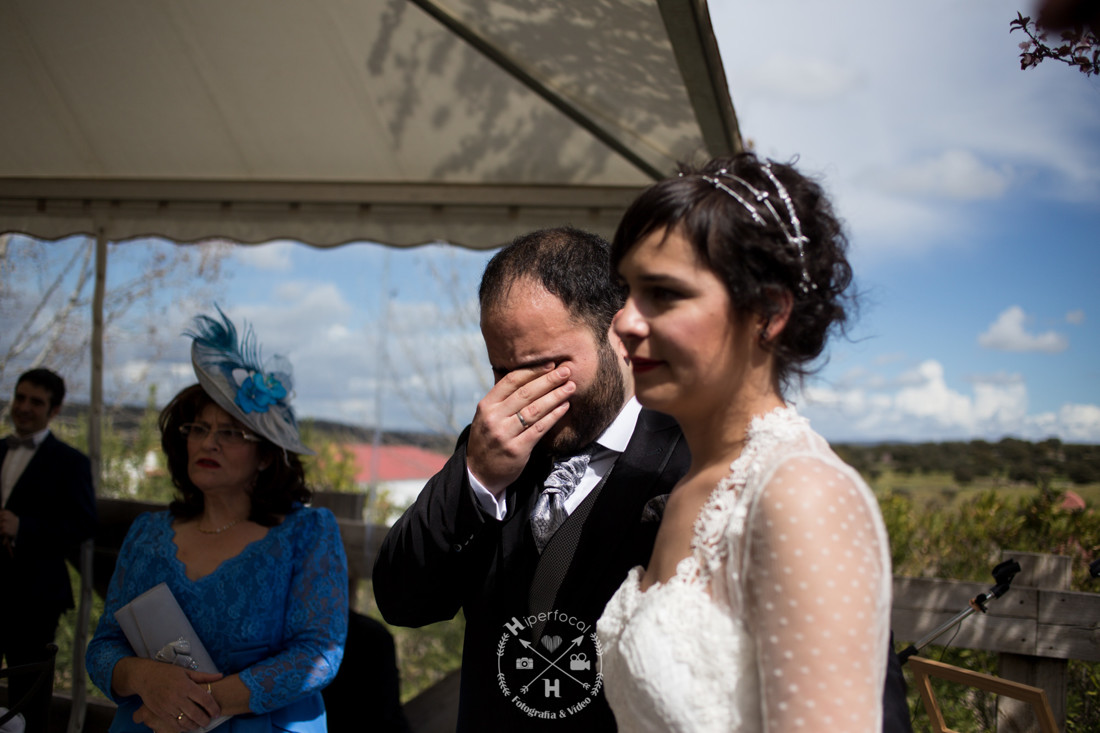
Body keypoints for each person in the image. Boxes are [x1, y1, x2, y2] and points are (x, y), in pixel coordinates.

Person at [594, 152, 895, 732]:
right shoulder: (694, 486)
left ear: (769, 311)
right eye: (627, 291)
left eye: (664, 293)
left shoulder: (802, 496)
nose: (625, 322)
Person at [372, 226, 691, 732]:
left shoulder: (689, 459)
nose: (526, 392)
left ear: (620, 332)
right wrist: (477, 477)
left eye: (548, 366)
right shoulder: (490, 443)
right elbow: (403, 598)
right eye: (504, 371)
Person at [86, 309, 348, 733]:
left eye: (231, 432)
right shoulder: (147, 534)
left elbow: (319, 654)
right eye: (199, 428)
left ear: (266, 455)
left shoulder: (307, 533)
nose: (209, 442)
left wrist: (198, 705)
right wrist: (142, 678)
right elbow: (102, 648)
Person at [0, 368, 96, 733]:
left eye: (36, 402)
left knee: (29, 697)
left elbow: (84, 524)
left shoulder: (70, 462)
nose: (24, 408)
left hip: (35, 598)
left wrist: (24, 527)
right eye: (20, 398)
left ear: (54, 410)